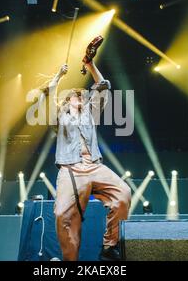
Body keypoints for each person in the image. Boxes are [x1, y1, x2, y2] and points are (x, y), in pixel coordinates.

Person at [40, 53, 131, 261]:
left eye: (83, 95)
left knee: (123, 193)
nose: (81, 97)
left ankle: (110, 247)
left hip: (95, 166)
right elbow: (49, 96)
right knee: (62, 215)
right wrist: (58, 76)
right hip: (71, 169)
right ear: (68, 100)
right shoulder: (60, 117)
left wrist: (90, 65)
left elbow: (103, 85)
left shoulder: (91, 112)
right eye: (76, 95)